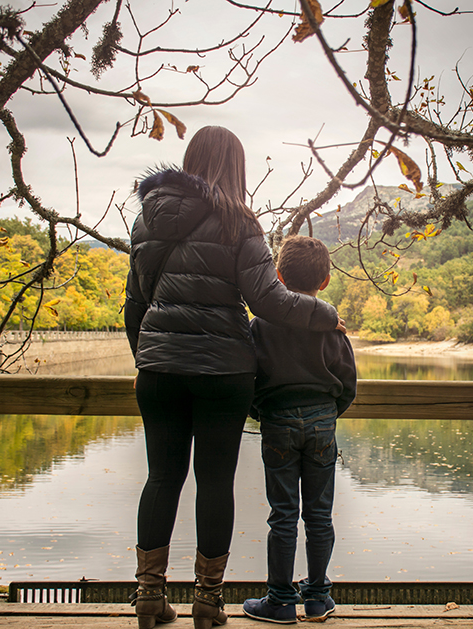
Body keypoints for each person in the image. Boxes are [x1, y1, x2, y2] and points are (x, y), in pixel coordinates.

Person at [124, 127, 344, 629]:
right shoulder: (239, 222)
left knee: (161, 477)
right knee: (215, 481)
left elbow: (135, 302)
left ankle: (148, 597)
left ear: (188, 160)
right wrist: (326, 314)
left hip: (158, 370)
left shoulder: (146, 219)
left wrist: (149, 356)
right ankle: (208, 600)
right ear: (236, 168)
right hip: (223, 371)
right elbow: (269, 301)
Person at [242, 236, 357, 624]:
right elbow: (348, 383)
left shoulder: (260, 325)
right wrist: (327, 413)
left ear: (277, 276)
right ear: (324, 281)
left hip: (278, 421)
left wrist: (265, 410)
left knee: (284, 514)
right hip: (323, 422)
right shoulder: (332, 326)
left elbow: (249, 379)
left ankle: (279, 601)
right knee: (320, 515)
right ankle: (317, 598)